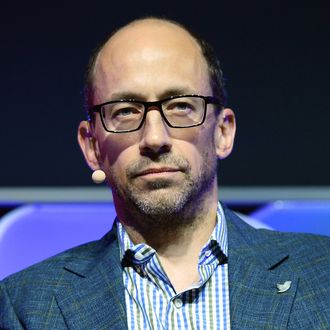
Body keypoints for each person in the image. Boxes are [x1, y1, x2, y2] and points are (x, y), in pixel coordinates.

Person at [1, 17, 330, 329]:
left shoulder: (322, 274)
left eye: (181, 106)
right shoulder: (24, 306)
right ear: (92, 147)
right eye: (126, 112)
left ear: (223, 132)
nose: (155, 138)